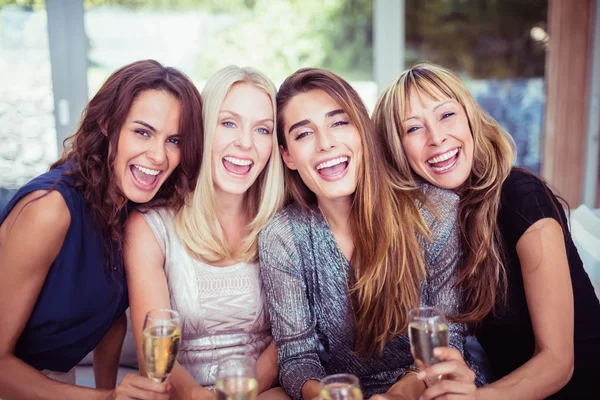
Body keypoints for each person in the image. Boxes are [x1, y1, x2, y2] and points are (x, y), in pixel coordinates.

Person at [372, 61, 600, 399]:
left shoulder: (522, 196)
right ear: (396, 149)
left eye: (446, 115)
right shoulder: (430, 224)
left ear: (469, 118)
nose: (437, 138)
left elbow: (558, 361)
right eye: (413, 129)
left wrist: (478, 398)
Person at [259, 67, 484, 400]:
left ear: (363, 131)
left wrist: (398, 395)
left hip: (426, 387)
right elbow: (296, 357)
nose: (326, 143)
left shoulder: (433, 212)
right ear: (288, 156)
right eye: (304, 134)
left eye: (339, 122)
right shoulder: (282, 236)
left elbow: (446, 339)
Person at [0, 59, 204, 399]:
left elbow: (110, 318)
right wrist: (105, 398)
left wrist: (110, 389)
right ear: (108, 124)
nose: (158, 156)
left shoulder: (131, 207)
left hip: (48, 381)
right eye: (142, 132)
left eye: (174, 140)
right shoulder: (50, 211)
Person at [124, 65, 285, 400]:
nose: (245, 143)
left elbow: (289, 338)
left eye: (262, 130)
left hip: (263, 392)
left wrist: (242, 392)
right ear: (202, 129)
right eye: (228, 123)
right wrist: (201, 396)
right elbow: (151, 353)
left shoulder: (281, 224)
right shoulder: (151, 228)